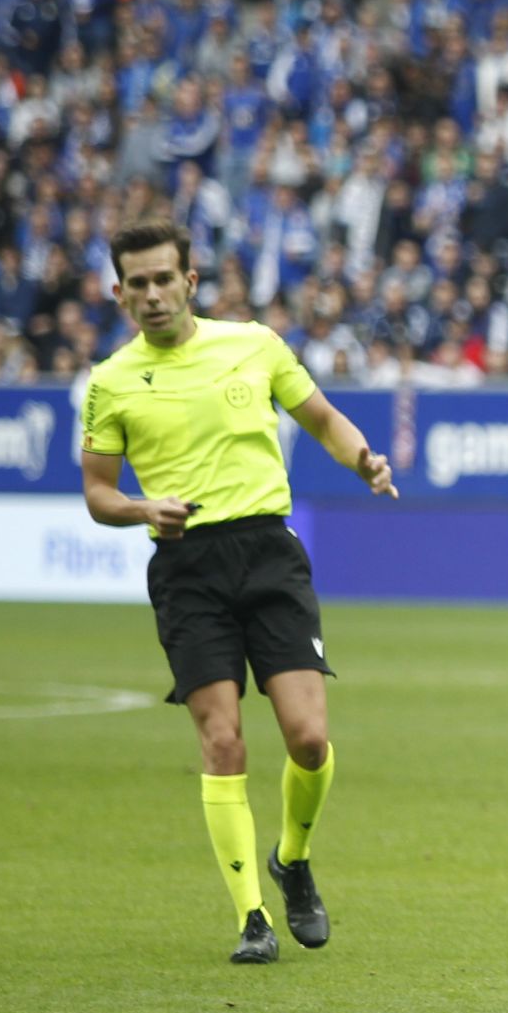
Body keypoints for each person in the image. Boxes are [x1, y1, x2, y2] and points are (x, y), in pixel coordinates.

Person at [80, 220, 398, 964]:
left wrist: (364, 461)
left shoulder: (253, 344)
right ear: (119, 292)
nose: (152, 295)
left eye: (165, 279)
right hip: (186, 566)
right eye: (138, 284)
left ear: (191, 282)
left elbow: (319, 416)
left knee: (309, 738)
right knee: (222, 741)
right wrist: (139, 509)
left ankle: (292, 858)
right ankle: (252, 917)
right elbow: (97, 493)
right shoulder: (112, 381)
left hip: (268, 554)